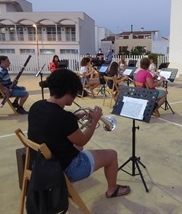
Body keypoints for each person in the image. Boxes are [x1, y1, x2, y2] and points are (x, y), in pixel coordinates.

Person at [27, 68, 131, 198]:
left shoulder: (37, 106)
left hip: (42, 163)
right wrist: (95, 120)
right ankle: (112, 189)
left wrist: (76, 116)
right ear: (69, 92)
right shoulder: (64, 117)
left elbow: (55, 122)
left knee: (79, 148)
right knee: (111, 155)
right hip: (65, 169)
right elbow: (82, 140)